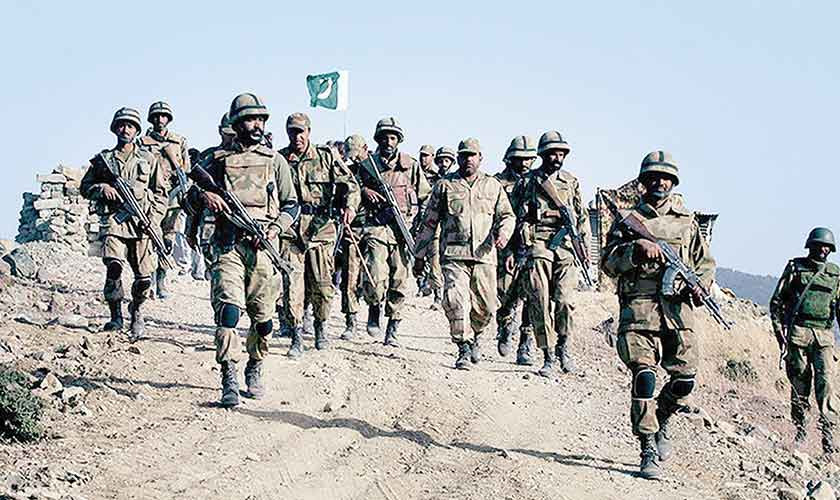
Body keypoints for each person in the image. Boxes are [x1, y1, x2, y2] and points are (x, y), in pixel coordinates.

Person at [601, 151, 715, 479]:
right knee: (644, 377)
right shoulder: (629, 219)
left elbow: (705, 263)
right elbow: (608, 263)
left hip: (678, 313)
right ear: (644, 181)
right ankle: (647, 446)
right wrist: (634, 251)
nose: (659, 182)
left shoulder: (687, 222)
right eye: (653, 177)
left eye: (665, 178)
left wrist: (701, 286)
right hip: (639, 311)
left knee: (685, 379)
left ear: (673, 182)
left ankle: (662, 416)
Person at [187, 93, 299, 407]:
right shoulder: (216, 159)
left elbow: (292, 205)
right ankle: (229, 376)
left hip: (264, 248)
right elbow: (188, 197)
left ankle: (255, 364)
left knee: (264, 321)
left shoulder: (274, 160)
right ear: (237, 124)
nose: (257, 125)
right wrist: (204, 197)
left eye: (261, 119)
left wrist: (275, 229)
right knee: (228, 312)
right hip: (228, 245)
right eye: (250, 119)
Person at [414, 138, 515, 369]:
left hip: (484, 256)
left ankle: (476, 334)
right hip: (453, 255)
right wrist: (419, 255)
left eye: (472, 155)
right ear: (458, 158)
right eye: (464, 155)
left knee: (486, 307)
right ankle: (464, 347)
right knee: (456, 300)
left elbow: (507, 216)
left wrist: (503, 233)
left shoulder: (492, 186)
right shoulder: (445, 185)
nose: (468, 159)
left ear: (480, 158)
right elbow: (429, 222)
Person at [80, 107, 167, 340]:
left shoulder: (149, 159)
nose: (125, 129)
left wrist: (154, 220)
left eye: (130, 126)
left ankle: (136, 310)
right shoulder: (104, 160)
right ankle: (116, 316)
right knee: (114, 267)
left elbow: (161, 194)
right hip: (114, 223)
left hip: (142, 224)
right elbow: (85, 187)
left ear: (137, 130)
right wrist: (101, 188)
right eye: (121, 125)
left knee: (144, 278)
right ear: (114, 129)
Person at [278, 113, 359, 357]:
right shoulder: (279, 160)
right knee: (292, 286)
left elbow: (351, 185)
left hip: (321, 230)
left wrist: (350, 206)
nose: (297, 137)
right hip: (290, 231)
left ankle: (320, 327)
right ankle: (296, 335)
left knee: (322, 286)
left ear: (309, 132)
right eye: (292, 132)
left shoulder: (326, 156)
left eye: (301, 131)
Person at [518, 131, 589, 376]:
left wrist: (583, 247)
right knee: (539, 299)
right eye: (552, 154)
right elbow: (514, 214)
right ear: (542, 155)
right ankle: (548, 354)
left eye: (561, 154)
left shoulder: (571, 182)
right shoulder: (529, 181)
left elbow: (581, 217)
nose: (557, 158)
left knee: (565, 300)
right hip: (537, 241)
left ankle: (563, 347)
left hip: (565, 245)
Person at [357, 117, 431, 346]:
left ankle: (393, 327)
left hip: (402, 230)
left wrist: (419, 226)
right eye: (384, 138)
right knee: (374, 274)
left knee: (399, 279)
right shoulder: (367, 165)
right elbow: (350, 188)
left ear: (398, 140)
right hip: (376, 228)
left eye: (392, 138)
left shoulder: (411, 166)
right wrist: (364, 191)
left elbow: (426, 197)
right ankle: (374, 308)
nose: (388, 142)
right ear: (377, 139)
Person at [770, 227, 840, 456]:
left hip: (824, 337)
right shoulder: (795, 268)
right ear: (810, 246)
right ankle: (800, 432)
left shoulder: (835, 274)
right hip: (798, 333)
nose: (823, 250)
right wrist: (779, 332)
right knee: (799, 385)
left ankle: (828, 439)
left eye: (827, 246)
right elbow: (777, 301)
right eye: (819, 245)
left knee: (827, 385)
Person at [139, 101, 191, 298]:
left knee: (168, 239)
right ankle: (148, 281)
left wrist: (176, 166)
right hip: (150, 197)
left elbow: (186, 170)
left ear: (168, 119)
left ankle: (161, 281)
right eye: (156, 116)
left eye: (163, 116)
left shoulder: (179, 141)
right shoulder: (143, 142)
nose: (159, 120)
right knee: (149, 238)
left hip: (173, 197)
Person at [495, 136, 537, 365]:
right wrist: (509, 249)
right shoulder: (497, 183)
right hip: (505, 248)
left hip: (532, 248)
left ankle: (525, 344)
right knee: (505, 294)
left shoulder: (538, 182)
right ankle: (505, 326)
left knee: (532, 296)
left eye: (528, 159)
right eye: (519, 159)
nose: (524, 163)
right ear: (510, 159)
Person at [337, 134, 369, 339]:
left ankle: (374, 313)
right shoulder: (347, 171)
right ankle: (351, 321)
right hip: (353, 227)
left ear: (365, 149)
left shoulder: (378, 168)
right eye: (352, 155)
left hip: (377, 227)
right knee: (349, 274)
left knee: (376, 274)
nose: (355, 159)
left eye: (357, 154)